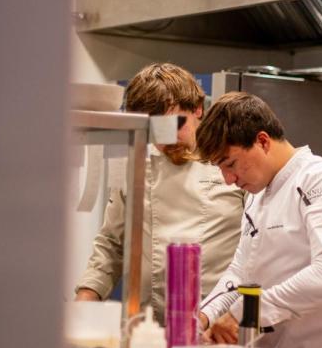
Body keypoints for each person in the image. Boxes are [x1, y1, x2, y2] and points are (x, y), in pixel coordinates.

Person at [196, 91, 322, 348]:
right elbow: (241, 273)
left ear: (263, 141)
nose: (229, 179)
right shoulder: (257, 195)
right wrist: (204, 316)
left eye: (231, 164)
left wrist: (242, 313)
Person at [75, 63, 245, 322]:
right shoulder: (137, 166)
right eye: (154, 129)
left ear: (198, 108)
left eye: (175, 124)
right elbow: (112, 244)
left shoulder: (232, 164)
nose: (165, 140)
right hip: (148, 328)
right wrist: (84, 301)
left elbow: (261, 253)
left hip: (216, 327)